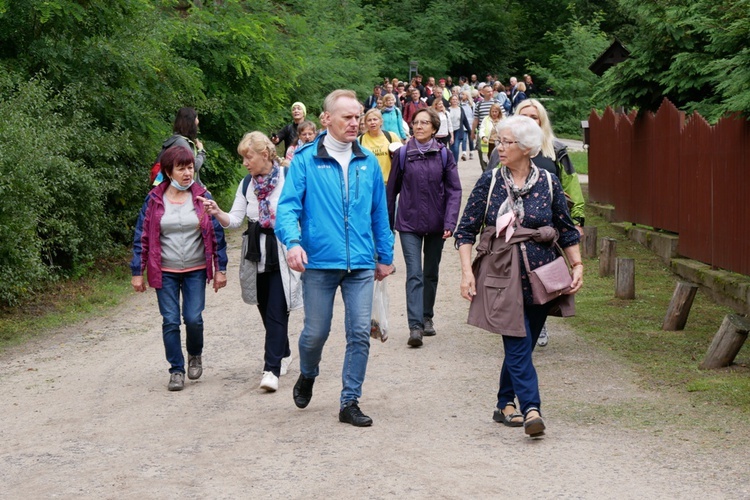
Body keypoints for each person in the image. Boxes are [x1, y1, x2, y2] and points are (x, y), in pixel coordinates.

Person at [454, 115, 583, 437]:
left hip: (542, 275)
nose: (499, 147)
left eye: (506, 142)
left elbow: (566, 229)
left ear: (526, 148)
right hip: (501, 273)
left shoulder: (549, 181)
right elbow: (466, 230)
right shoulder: (491, 180)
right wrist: (466, 273)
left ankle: (503, 403)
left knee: (522, 345)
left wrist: (577, 265)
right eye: (498, 141)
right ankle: (531, 409)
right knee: (518, 339)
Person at [276, 89, 395, 427]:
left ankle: (349, 401)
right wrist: (293, 242)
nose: (355, 123)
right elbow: (287, 208)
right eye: (348, 117)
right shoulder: (305, 160)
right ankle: (308, 373)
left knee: (359, 332)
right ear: (326, 119)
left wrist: (384, 255)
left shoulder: (368, 162)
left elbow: (379, 214)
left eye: (358, 116)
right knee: (316, 332)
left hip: (359, 262)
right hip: (319, 262)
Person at [200, 131, 303, 392]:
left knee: (277, 310)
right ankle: (284, 351)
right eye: (243, 158)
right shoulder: (246, 183)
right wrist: (217, 212)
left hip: (282, 249)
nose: (245, 163)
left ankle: (271, 370)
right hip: (255, 251)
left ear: (266, 154)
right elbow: (234, 220)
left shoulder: (289, 176)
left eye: (249, 157)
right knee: (265, 308)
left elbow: (304, 213)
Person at [131, 146, 228, 391]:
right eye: (181, 168)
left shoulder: (202, 196)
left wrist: (220, 268)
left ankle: (195, 354)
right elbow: (141, 236)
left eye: (190, 167)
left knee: (193, 319)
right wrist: (137, 272)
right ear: (168, 171)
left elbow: (216, 234)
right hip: (164, 270)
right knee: (171, 321)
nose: (187, 173)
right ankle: (176, 370)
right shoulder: (154, 199)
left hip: (196, 269)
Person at [514, 99, 586, 348]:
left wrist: (577, 220)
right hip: (515, 229)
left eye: (534, 116)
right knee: (516, 277)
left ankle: (538, 322)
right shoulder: (504, 149)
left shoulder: (556, 149)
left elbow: (571, 185)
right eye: (524, 116)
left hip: (549, 229)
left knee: (543, 277)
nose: (529, 120)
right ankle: (519, 326)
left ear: (541, 120)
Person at [387, 108, 462, 347]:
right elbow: (392, 192)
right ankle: (415, 327)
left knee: (430, 272)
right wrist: (387, 224)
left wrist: (450, 222)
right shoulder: (401, 154)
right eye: (415, 122)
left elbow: (454, 190)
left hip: (437, 223)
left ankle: (427, 316)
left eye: (424, 123)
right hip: (408, 222)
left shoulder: (444, 155)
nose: (418, 126)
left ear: (434, 127)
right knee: (414, 273)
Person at [152, 107, 206, 186]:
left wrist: (202, 187)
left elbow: (194, 174)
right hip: (174, 189)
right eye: (196, 118)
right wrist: (201, 151)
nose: (198, 121)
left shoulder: (179, 140)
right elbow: (194, 166)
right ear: (190, 122)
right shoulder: (180, 142)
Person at [358, 108, 398, 183]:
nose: (372, 122)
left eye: (375, 119)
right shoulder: (359, 140)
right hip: (368, 182)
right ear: (365, 123)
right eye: (369, 120)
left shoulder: (391, 136)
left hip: (389, 182)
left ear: (381, 121)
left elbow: (401, 158)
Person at [472, 84, 496, 170]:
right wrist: (472, 132)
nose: (490, 93)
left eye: (491, 91)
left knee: (494, 153)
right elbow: (476, 119)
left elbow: (503, 117)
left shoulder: (496, 102)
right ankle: (485, 172)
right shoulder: (479, 104)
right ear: (482, 93)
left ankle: (493, 171)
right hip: (482, 133)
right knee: (482, 152)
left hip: (494, 133)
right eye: (488, 91)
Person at [448, 94, 470, 162]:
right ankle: (452, 162)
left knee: (456, 147)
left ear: (458, 101)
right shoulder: (447, 110)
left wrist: (470, 131)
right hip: (450, 131)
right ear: (450, 101)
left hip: (458, 130)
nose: (454, 101)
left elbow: (465, 120)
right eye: (453, 99)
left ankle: (455, 163)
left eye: (456, 99)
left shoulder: (460, 109)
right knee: (451, 148)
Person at [459, 90, 475, 161]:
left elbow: (474, 115)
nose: (462, 96)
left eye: (463, 94)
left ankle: (471, 152)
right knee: (464, 139)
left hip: (471, 123)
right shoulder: (460, 104)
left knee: (471, 139)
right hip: (463, 124)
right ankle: (464, 153)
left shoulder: (472, 104)